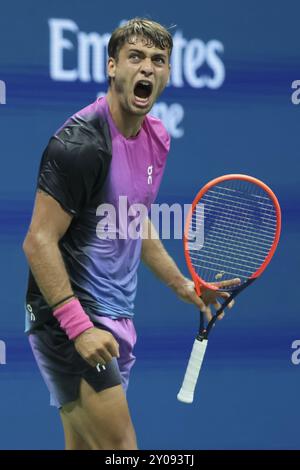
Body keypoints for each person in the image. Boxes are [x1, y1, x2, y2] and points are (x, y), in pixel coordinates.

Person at [23, 18, 238, 450]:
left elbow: (133, 218)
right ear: (111, 67)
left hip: (113, 315)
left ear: (168, 74)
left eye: (158, 60)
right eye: (135, 57)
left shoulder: (156, 138)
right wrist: (78, 327)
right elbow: (38, 241)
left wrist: (181, 284)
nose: (147, 69)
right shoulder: (81, 145)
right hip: (67, 318)